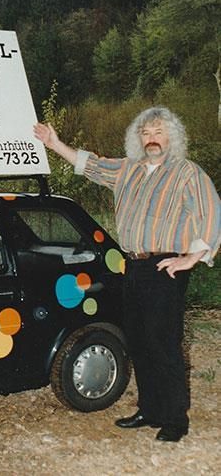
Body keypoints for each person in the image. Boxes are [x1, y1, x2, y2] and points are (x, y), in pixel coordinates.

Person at [34, 106, 220, 443]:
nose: (152, 139)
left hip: (165, 267)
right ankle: (150, 409)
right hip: (132, 265)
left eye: (159, 132)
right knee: (138, 340)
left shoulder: (187, 173)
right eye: (146, 133)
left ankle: (175, 418)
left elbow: (211, 212)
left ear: (172, 137)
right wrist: (54, 143)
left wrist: (192, 257)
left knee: (163, 343)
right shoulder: (127, 170)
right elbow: (88, 165)